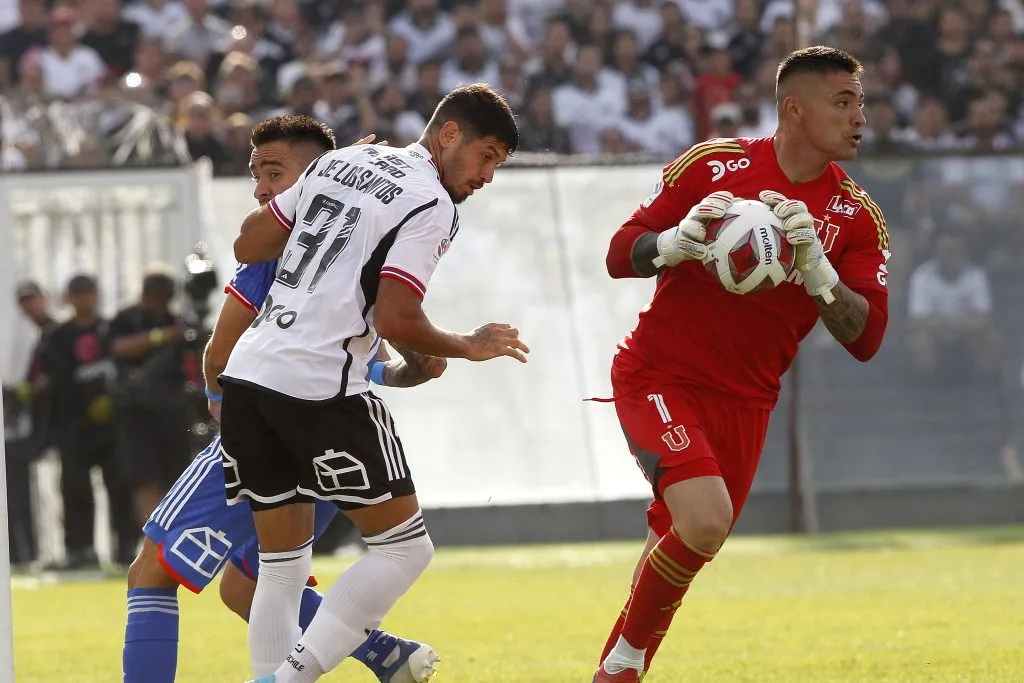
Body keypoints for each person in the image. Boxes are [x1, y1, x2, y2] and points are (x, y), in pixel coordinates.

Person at [593, 46, 891, 682]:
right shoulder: (714, 165)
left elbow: (866, 338)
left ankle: (616, 675)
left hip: (749, 402)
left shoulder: (856, 217)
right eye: (844, 102)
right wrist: (674, 244)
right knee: (705, 521)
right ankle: (620, 668)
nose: (860, 116)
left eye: (861, 102)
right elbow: (620, 253)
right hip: (659, 376)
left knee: (676, 555)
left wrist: (818, 270)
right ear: (794, 108)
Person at [222, 84, 527, 683]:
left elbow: (248, 243)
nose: (488, 176)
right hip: (318, 386)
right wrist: (469, 344)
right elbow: (395, 318)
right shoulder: (433, 202)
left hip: (250, 373)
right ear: (449, 135)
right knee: (406, 550)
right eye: (487, 156)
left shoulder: (342, 160)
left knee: (282, 567)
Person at [122, 116, 443, 683]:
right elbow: (360, 353)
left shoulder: (279, 250)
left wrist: (227, 417)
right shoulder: (362, 241)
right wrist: (402, 374)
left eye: (274, 173)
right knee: (247, 586)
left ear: (318, 173)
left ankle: (371, 657)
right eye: (255, 175)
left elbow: (219, 356)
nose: (261, 188)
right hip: (326, 435)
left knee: (150, 572)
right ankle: (384, 653)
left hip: (259, 433)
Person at [46, 274, 137, 568]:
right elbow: (57, 382)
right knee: (75, 491)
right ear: (68, 298)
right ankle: (80, 550)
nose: (84, 299)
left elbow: (126, 369)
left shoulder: (111, 330)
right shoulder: (58, 336)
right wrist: (86, 405)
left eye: (88, 292)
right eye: (78, 294)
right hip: (75, 428)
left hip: (113, 428)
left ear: (97, 294)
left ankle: (124, 549)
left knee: (122, 488)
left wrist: (113, 402)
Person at [107, 269, 192, 528]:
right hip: (135, 410)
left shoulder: (179, 322)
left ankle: (169, 535)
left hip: (171, 409)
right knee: (145, 478)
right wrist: (160, 337)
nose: (158, 301)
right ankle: (151, 538)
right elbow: (119, 347)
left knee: (174, 478)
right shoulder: (126, 319)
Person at [3, 280, 56, 568]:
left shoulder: (55, 333)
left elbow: (52, 382)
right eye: (23, 301)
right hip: (37, 425)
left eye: (32, 299)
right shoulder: (39, 335)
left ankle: (27, 551)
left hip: (56, 426)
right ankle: (23, 551)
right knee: (17, 487)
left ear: (44, 297)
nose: (29, 306)